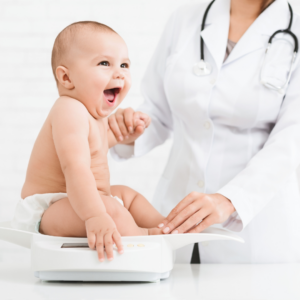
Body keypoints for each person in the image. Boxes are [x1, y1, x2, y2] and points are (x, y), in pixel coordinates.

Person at [108, 0, 300, 263]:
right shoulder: (185, 19)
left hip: (256, 230)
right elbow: (157, 111)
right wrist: (130, 131)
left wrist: (230, 199)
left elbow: (291, 139)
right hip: (174, 219)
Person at [12, 21, 165, 262]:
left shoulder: (94, 114)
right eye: (104, 63)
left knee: (127, 195)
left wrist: (128, 134)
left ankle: (166, 225)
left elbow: (98, 145)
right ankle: (148, 236)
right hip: (50, 209)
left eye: (124, 65)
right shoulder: (69, 109)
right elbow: (75, 166)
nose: (119, 72)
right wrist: (95, 215)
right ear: (66, 77)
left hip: (87, 199)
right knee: (112, 209)